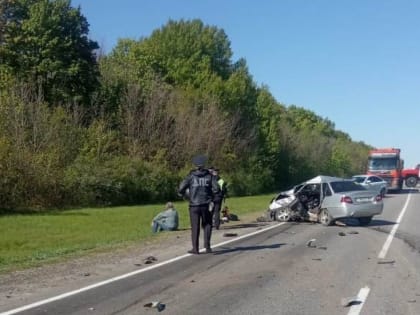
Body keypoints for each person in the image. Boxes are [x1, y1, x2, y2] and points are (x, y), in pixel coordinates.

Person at [178, 155, 219, 254]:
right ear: (204, 164)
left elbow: (181, 188)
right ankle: (208, 247)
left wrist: (184, 194)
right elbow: (216, 188)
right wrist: (211, 197)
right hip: (206, 204)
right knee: (208, 224)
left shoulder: (190, 176)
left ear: (195, 165)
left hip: (194, 205)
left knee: (195, 227)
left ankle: (195, 249)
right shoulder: (210, 176)